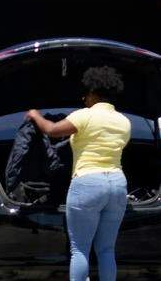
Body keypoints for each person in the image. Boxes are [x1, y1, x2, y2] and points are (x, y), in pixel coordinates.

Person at [27, 66, 130, 281]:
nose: (84, 99)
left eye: (86, 95)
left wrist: (35, 115)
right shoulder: (124, 122)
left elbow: (52, 130)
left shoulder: (84, 115)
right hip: (118, 185)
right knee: (106, 249)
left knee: (80, 249)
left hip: (88, 183)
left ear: (93, 93)